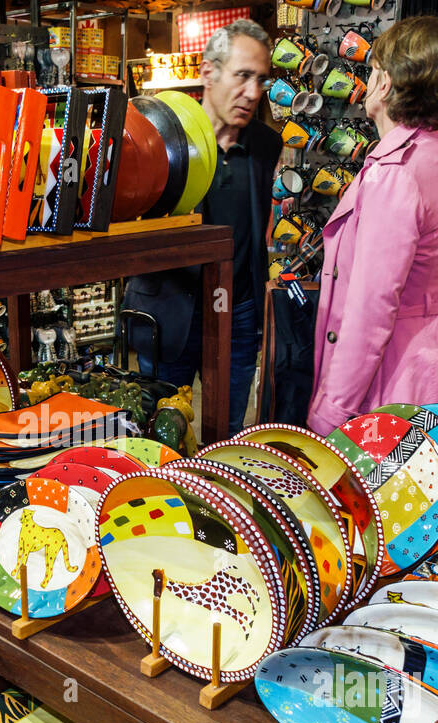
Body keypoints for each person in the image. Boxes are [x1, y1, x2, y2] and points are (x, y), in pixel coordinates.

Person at [306, 16, 438, 436]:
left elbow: (372, 307)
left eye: (371, 72)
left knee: (383, 498)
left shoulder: (395, 172)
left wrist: (332, 411)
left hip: (400, 375)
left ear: (385, 83)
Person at [124, 19, 280, 436]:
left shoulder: (266, 145)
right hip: (170, 307)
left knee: (226, 432)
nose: (252, 92)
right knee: (161, 435)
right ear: (209, 72)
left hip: (238, 311)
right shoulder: (157, 136)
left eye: (260, 80)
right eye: (243, 76)